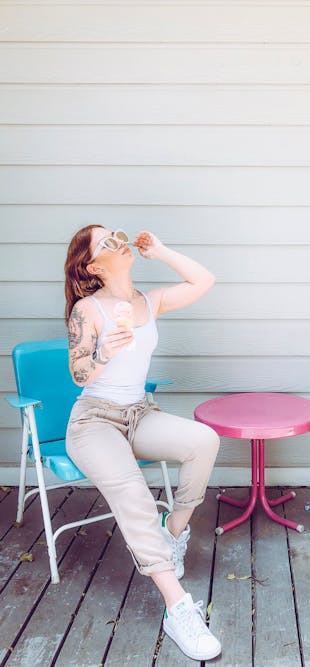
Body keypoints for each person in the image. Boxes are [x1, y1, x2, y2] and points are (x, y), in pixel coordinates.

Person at [64, 225, 222, 661]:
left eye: (117, 233)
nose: (119, 239)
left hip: (138, 414)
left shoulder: (147, 302)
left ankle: (173, 531)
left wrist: (163, 250)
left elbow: (203, 281)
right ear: (95, 266)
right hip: (93, 422)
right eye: (106, 241)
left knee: (203, 440)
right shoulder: (87, 309)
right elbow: (78, 375)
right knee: (133, 493)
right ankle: (178, 608)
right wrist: (103, 354)